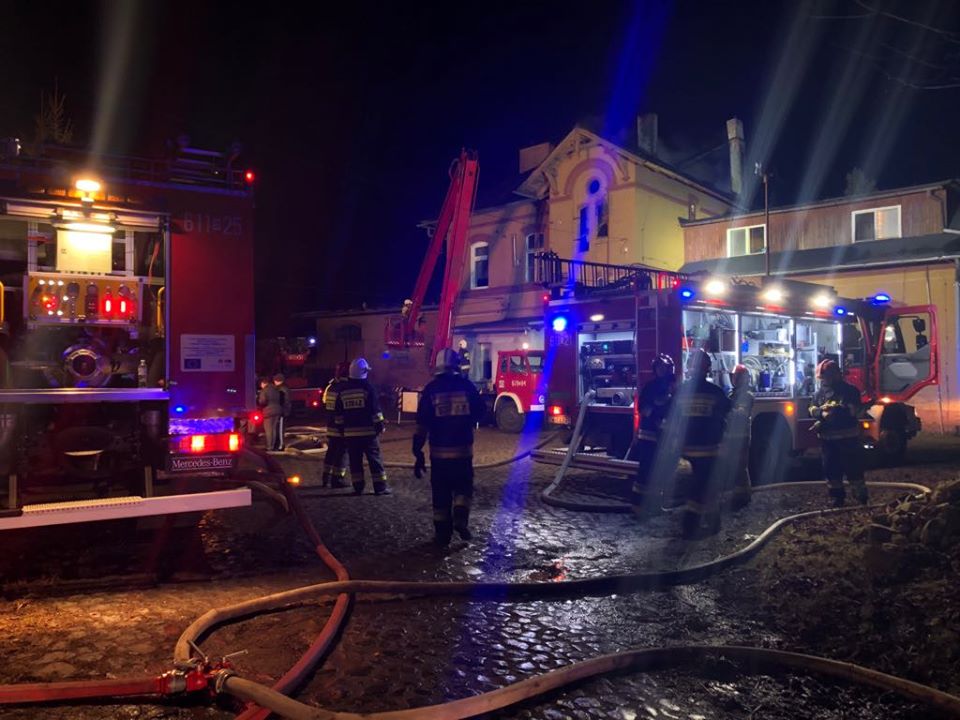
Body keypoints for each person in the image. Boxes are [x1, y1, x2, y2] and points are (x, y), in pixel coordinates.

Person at [412, 348, 487, 545]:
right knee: (463, 487)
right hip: (463, 452)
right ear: (456, 365)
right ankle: (461, 518)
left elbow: (422, 423)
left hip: (438, 454)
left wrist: (417, 451)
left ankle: (442, 535)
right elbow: (481, 412)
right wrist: (466, 419)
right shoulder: (466, 386)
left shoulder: (431, 389)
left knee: (440, 493)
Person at [675, 349, 731, 539]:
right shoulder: (715, 392)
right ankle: (693, 524)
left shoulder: (681, 391)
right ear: (707, 369)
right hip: (709, 448)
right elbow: (727, 410)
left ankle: (710, 522)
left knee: (700, 484)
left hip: (687, 448)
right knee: (705, 485)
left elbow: (672, 416)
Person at [809, 359, 867, 507]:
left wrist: (835, 412)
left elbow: (853, 412)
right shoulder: (819, 394)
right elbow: (812, 409)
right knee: (831, 470)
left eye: (826, 377)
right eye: (822, 378)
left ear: (835, 375)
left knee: (854, 469)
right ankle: (837, 498)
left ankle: (861, 497)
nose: (824, 381)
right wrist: (821, 414)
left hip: (848, 440)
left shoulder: (850, 391)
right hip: (828, 442)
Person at [335, 357, 391, 496]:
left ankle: (358, 487)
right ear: (364, 372)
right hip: (368, 433)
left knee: (355, 462)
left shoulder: (343, 390)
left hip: (350, 435)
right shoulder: (368, 387)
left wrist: (342, 430)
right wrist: (380, 426)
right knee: (374, 460)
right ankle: (380, 487)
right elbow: (374, 410)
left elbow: (338, 413)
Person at [630, 353, 676, 516]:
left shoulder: (672, 387)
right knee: (646, 470)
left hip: (664, 436)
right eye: (659, 367)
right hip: (649, 434)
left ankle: (656, 504)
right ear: (655, 369)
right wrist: (656, 417)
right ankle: (638, 505)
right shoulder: (650, 387)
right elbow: (642, 408)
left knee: (661, 471)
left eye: (664, 368)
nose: (661, 370)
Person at [724, 364, 753, 511]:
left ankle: (744, 497)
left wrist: (727, 409)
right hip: (731, 436)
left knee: (741, 467)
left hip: (742, 436)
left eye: (737, 377)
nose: (734, 379)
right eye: (734, 377)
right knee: (734, 466)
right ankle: (737, 495)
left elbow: (741, 413)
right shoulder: (731, 394)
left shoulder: (747, 396)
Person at [321, 362, 350, 488]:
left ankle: (326, 477)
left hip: (331, 425)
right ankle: (337, 479)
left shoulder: (331, 387)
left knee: (331, 452)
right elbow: (342, 408)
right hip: (341, 427)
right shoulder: (345, 388)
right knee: (342, 453)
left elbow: (325, 403)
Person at [257, 376, 283, 453]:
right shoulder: (276, 389)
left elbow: (262, 401)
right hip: (277, 410)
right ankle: (273, 445)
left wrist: (258, 400)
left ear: (263, 383)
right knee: (274, 429)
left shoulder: (264, 391)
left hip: (268, 411)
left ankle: (269, 447)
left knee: (268, 430)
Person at [272, 373, 292, 451]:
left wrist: (282, 411)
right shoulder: (284, 388)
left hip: (282, 412)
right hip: (282, 411)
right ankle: (278, 444)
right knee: (279, 429)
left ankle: (281, 445)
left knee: (280, 429)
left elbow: (284, 401)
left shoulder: (282, 389)